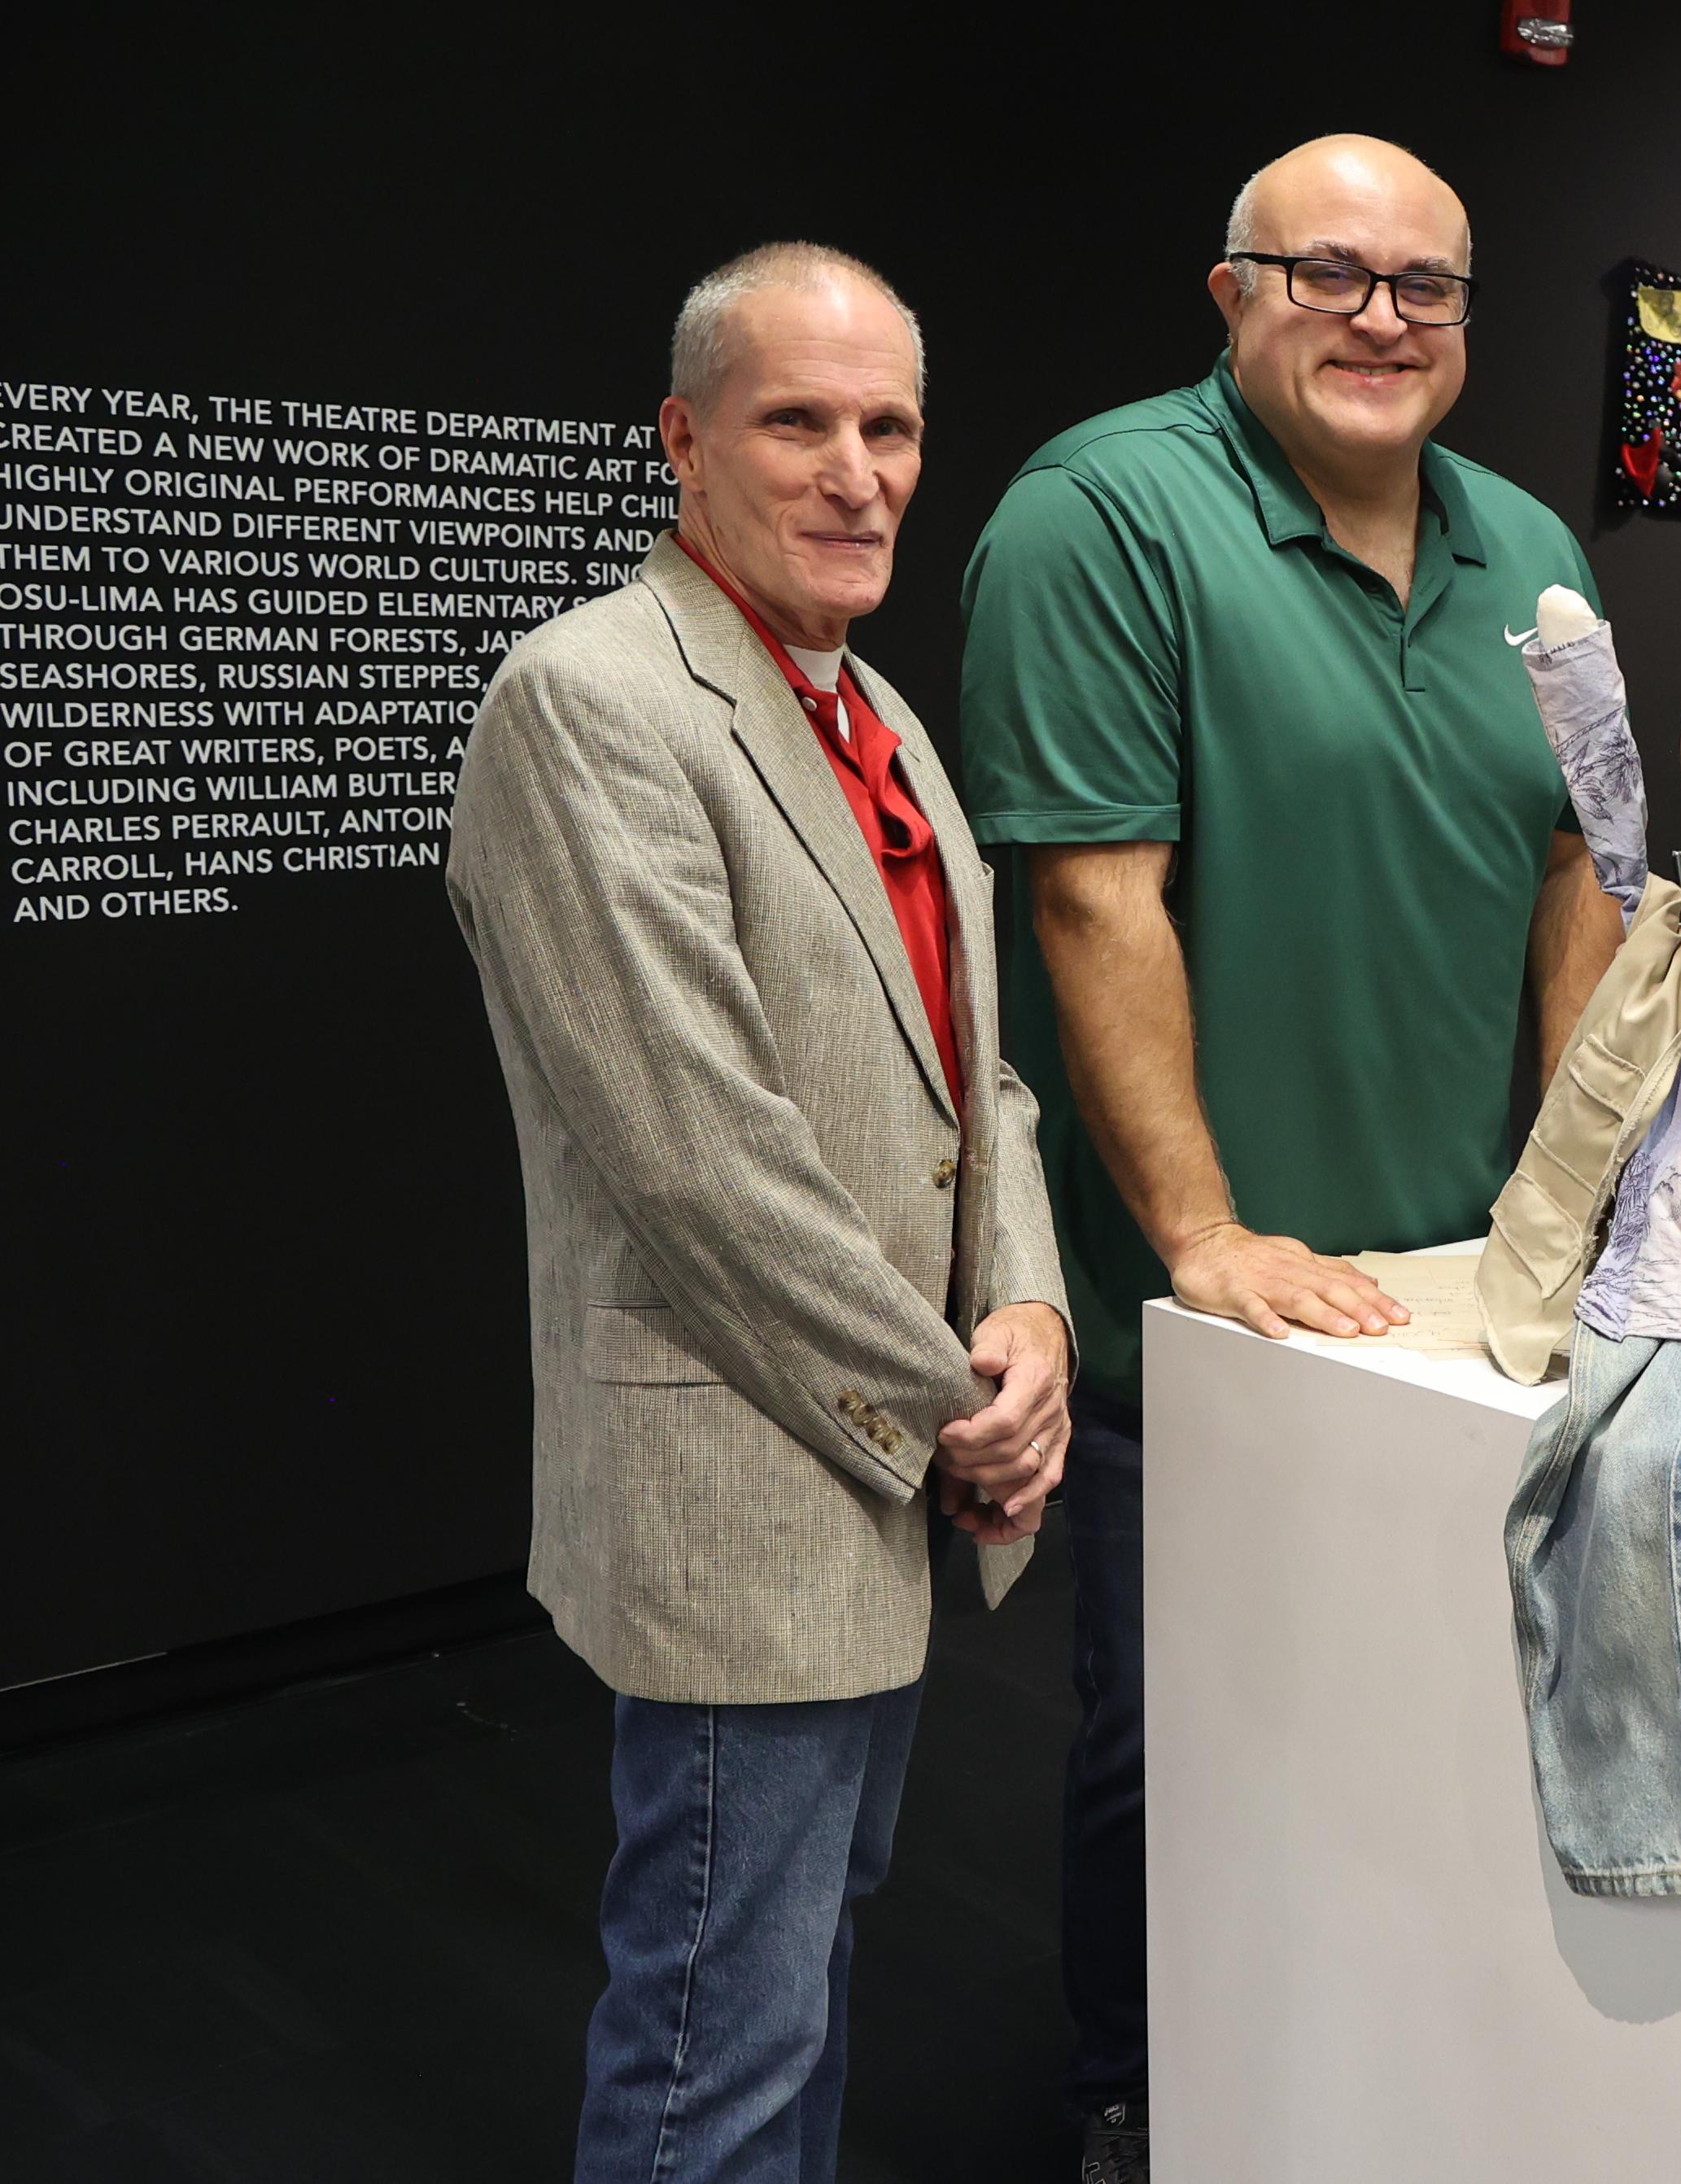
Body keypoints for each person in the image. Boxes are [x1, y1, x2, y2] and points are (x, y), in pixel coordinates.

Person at [955, 135, 1616, 2183]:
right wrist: (1202, 1233)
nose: (1384, 316)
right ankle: (1145, 2099)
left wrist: (1579, 1204)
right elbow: (1091, 902)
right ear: (1229, 290)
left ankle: (1377, 2075)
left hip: (1460, 1305)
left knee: (1428, 1716)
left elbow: (1584, 871)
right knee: (1187, 1743)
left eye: (1429, 284)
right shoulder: (1102, 513)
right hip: (1216, 1322)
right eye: (1327, 272)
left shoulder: (1533, 554)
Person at [448, 242, 1072, 2183]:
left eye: (888, 425)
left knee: (795, 1988)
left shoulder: (874, 708)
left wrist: (1036, 1318)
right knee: (714, 2039)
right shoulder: (591, 699)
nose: (857, 470)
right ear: (683, 439)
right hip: (750, 1474)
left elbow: (986, 1085)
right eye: (798, 422)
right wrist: (955, 1400)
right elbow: (695, 1154)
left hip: (879, 1459)